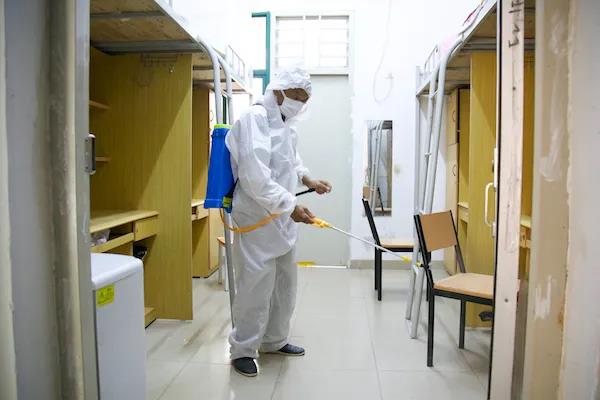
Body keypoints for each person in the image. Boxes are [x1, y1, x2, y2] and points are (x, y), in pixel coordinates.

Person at [225, 66, 331, 377]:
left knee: (285, 285)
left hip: (282, 218)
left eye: (305, 99)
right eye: (297, 95)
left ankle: (274, 341)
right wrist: (291, 206)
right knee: (255, 287)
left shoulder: (286, 125)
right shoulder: (254, 118)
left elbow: (290, 160)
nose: (300, 103)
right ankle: (243, 350)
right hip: (256, 218)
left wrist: (307, 179)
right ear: (280, 89)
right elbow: (255, 177)